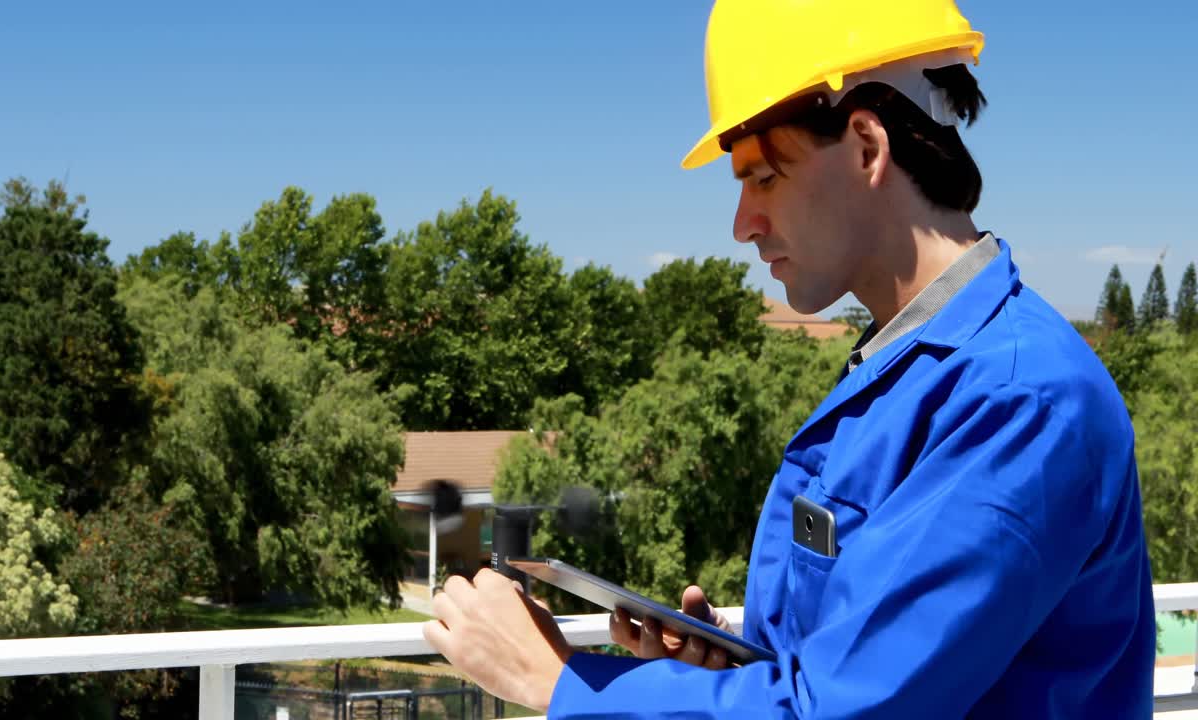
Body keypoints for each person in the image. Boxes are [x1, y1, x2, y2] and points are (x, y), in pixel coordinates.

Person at [421, 0, 1156, 716]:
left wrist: (558, 683)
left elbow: (842, 712)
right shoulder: (911, 374)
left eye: (764, 177)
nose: (743, 224)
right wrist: (716, 673)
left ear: (868, 148)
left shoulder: (1018, 400)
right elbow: (848, 672)